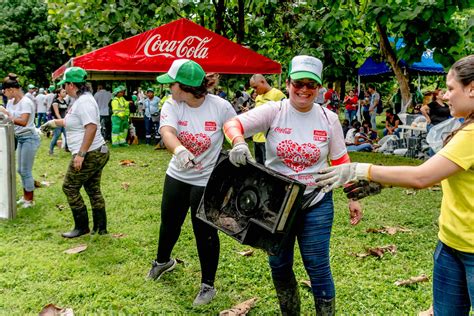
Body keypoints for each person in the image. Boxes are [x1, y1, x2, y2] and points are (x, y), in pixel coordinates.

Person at [314, 55, 474, 316]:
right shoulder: (464, 127)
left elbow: (421, 177)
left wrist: (359, 169)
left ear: (472, 88)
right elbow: (444, 171)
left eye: (451, 88)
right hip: (450, 242)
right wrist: (384, 184)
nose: (445, 96)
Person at [224, 55, 362, 315]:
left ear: (319, 88)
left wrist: (353, 196)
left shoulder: (328, 118)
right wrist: (239, 142)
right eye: (299, 83)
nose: (304, 90)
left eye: (311, 85)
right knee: (279, 263)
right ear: (287, 83)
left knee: (318, 266)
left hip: (316, 202)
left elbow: (341, 159)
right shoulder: (274, 110)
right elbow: (233, 123)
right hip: (276, 205)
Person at [146, 59, 236, 306]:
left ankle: (208, 285)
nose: (168, 89)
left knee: (205, 232)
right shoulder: (172, 104)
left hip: (207, 180)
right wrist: (180, 151)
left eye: (171, 84)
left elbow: (234, 130)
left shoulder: (220, 107)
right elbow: (167, 133)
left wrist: (238, 145)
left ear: (184, 87)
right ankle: (162, 262)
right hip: (177, 175)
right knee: (169, 224)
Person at [41, 67, 109, 238]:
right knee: (93, 189)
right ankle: (100, 228)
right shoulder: (79, 100)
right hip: (96, 151)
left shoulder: (84, 101)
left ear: (72, 84)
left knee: (69, 187)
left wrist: (81, 154)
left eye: (65, 85)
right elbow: (72, 121)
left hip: (90, 152)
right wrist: (54, 123)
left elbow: (91, 126)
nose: (64, 89)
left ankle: (82, 227)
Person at [0, 74, 40, 208]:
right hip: (20, 138)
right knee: (20, 169)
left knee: (25, 170)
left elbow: (23, 121)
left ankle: (30, 200)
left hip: (30, 138)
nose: (4, 95)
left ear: (11, 89)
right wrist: (3, 111)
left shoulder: (26, 102)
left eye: (4, 92)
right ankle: (25, 197)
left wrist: (8, 116)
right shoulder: (11, 102)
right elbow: (10, 116)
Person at [249, 74, 286, 164]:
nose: (255, 90)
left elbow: (285, 115)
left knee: (268, 166)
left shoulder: (277, 94)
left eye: (255, 87)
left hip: (268, 139)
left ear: (263, 82)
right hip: (256, 137)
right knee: (258, 165)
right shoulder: (258, 97)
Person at [49, 88, 69, 155]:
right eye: (63, 92)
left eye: (65, 92)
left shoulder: (65, 101)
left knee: (67, 135)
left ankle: (67, 149)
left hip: (64, 121)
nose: (65, 93)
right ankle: (50, 151)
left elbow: (66, 111)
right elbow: (57, 113)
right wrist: (62, 121)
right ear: (59, 94)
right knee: (56, 136)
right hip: (58, 122)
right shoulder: (55, 102)